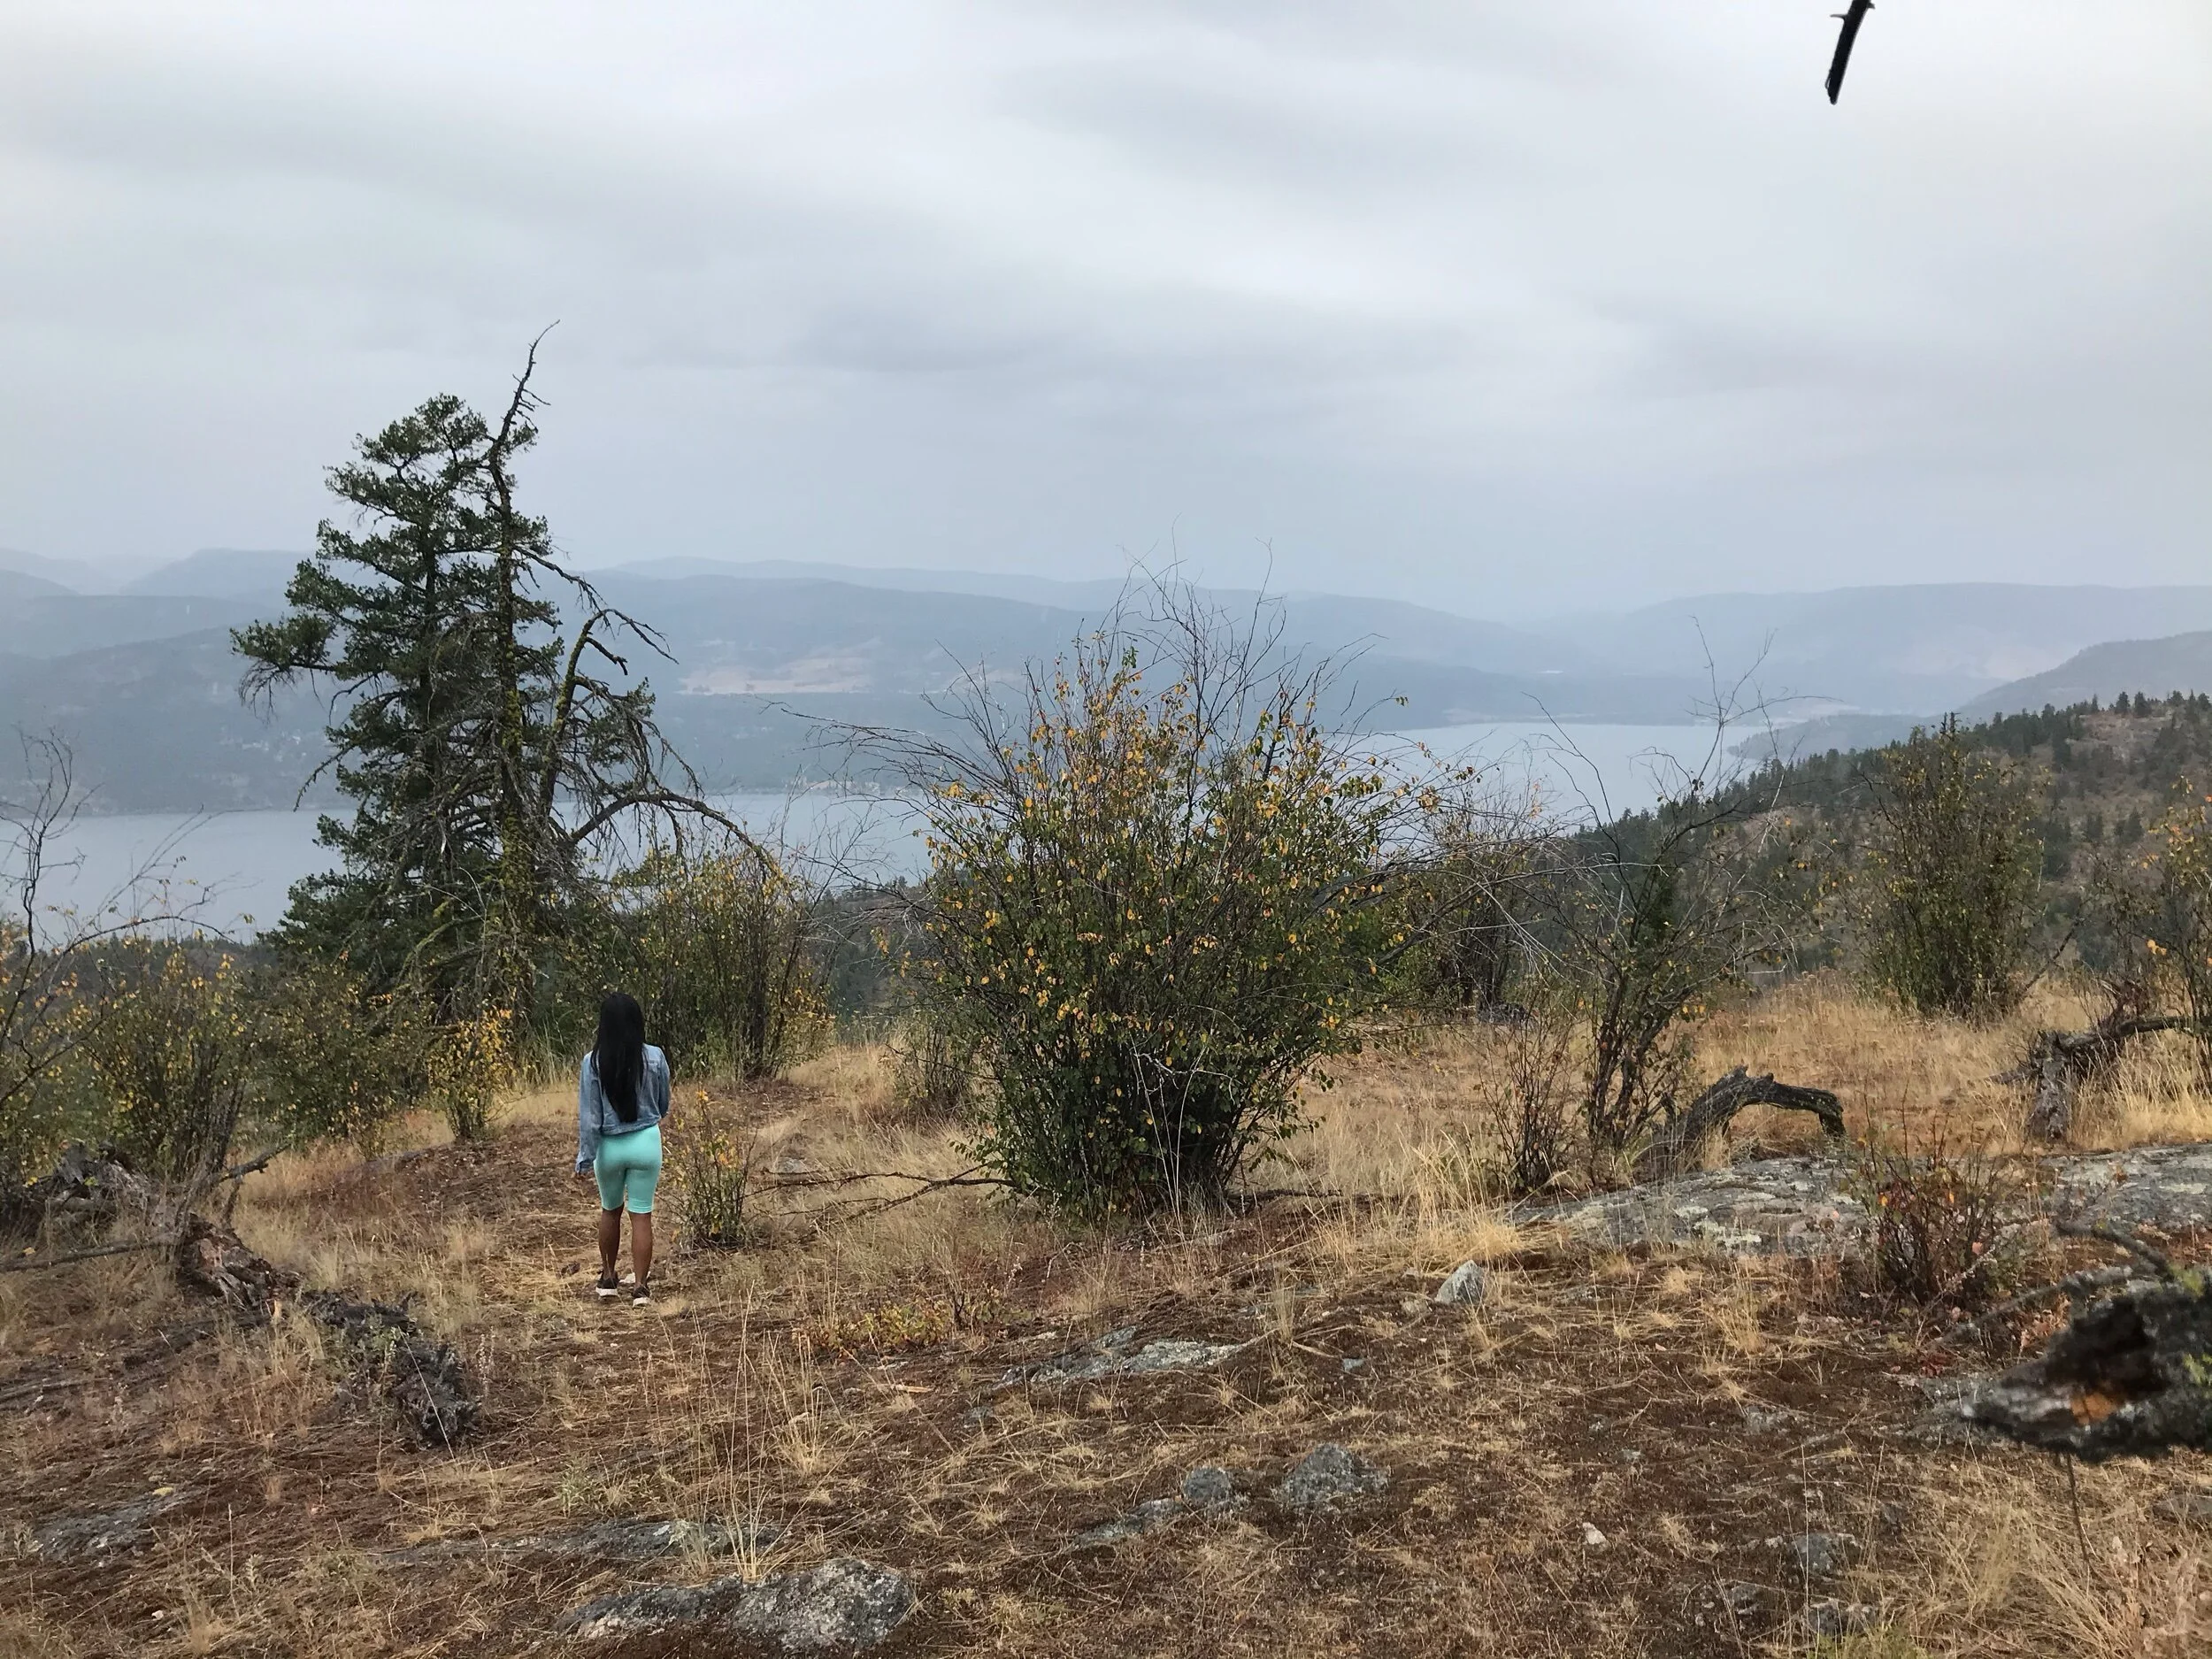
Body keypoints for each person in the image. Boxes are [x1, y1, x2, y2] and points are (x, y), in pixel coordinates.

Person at [575, 991, 671, 1306]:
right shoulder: (655, 1056)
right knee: (641, 1214)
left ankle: (607, 1278)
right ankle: (641, 1287)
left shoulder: (593, 1062)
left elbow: (590, 1119)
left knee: (610, 1211)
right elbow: (663, 1102)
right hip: (646, 1141)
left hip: (609, 1147)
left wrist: (584, 1159)